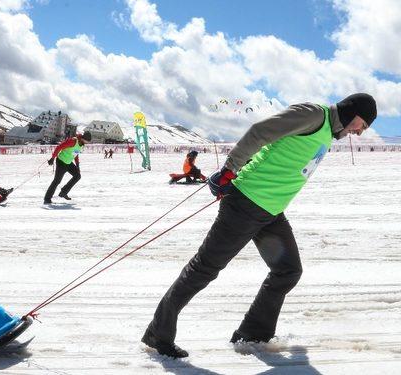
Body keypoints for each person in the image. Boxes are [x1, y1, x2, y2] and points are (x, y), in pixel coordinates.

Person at [142, 93, 377, 358]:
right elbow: (260, 131)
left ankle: (252, 333)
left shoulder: (326, 132)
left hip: (271, 213)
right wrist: (230, 169)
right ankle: (157, 333)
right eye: (362, 125)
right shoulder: (313, 115)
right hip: (245, 204)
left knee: (288, 270)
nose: (359, 133)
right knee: (205, 268)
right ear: (352, 111)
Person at [43, 131, 92, 204]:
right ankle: (47, 198)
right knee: (57, 181)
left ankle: (63, 192)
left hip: (68, 163)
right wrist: (53, 158)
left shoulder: (81, 144)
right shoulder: (73, 141)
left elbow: (75, 154)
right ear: (83, 138)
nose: (87, 143)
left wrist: (77, 166)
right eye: (87, 141)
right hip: (61, 162)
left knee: (77, 176)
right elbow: (59, 147)